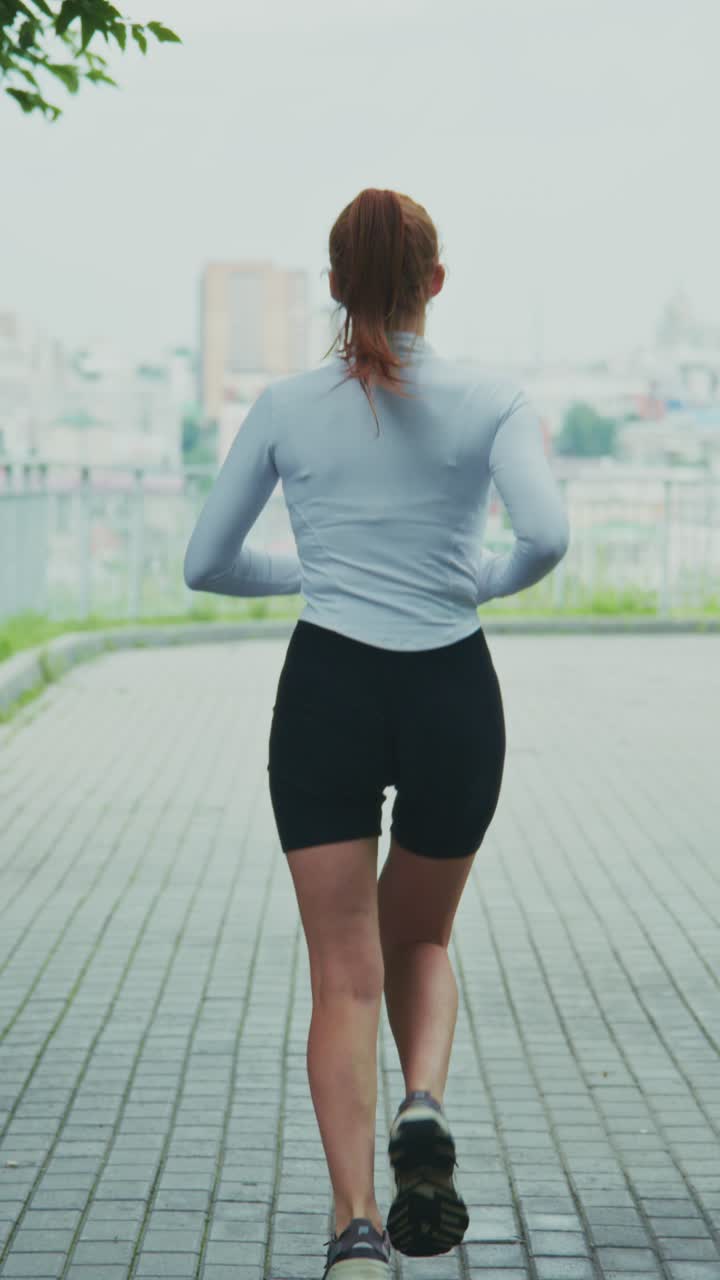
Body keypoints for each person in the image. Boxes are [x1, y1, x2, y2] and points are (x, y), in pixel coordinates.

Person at [183, 187, 570, 1280]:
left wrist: (316, 572)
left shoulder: (284, 404)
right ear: (434, 284)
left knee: (343, 971)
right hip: (452, 686)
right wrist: (475, 581)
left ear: (337, 286)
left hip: (328, 689)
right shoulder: (492, 399)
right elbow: (546, 533)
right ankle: (422, 1101)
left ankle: (355, 1226)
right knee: (424, 937)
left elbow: (206, 563)